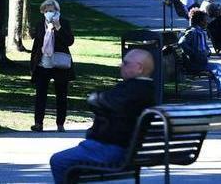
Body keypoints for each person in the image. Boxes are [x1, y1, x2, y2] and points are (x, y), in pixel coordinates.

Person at [49, 49, 156, 184]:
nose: (121, 65)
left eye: (125, 63)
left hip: (111, 150)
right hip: (127, 152)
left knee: (59, 161)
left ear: (139, 68)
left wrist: (95, 99)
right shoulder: (147, 90)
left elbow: (101, 101)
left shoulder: (133, 90)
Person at [30, 0, 75, 132]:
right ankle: (38, 123)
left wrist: (58, 27)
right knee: (40, 95)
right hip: (43, 63)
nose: (49, 12)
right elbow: (36, 45)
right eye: (47, 10)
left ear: (57, 11)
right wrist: (32, 65)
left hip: (60, 64)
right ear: (43, 11)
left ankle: (60, 124)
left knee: (61, 95)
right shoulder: (40, 24)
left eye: (52, 10)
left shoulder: (64, 23)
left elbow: (69, 41)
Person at [178, 10, 221, 98]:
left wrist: (207, 51)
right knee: (217, 67)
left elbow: (203, 47)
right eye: (205, 20)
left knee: (217, 67)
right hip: (194, 64)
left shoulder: (199, 32)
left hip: (200, 61)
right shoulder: (192, 31)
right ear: (200, 21)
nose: (207, 22)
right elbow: (181, 42)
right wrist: (193, 53)